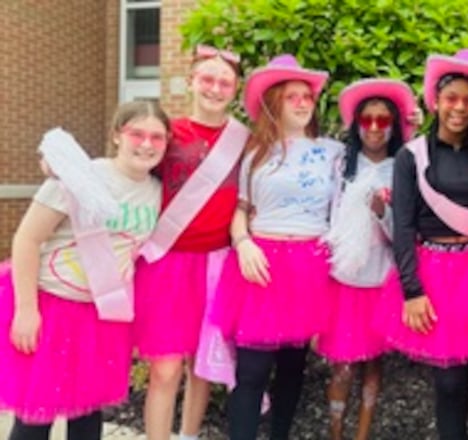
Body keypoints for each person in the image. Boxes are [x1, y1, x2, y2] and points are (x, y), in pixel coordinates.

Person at [0, 101, 168, 440]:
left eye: (157, 137)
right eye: (137, 134)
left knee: (88, 415)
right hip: (51, 307)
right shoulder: (80, 178)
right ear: (117, 136)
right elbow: (27, 239)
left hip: (101, 316)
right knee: (36, 419)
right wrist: (26, 310)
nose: (147, 144)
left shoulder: (156, 189)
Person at [208, 54, 344, 440]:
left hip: (310, 266)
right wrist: (243, 242)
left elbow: (377, 164)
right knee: (251, 371)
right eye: (291, 97)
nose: (302, 103)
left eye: (307, 96)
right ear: (274, 104)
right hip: (261, 263)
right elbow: (241, 209)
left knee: (292, 368)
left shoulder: (334, 152)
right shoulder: (255, 153)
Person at [373, 49, 468, 440]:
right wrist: (412, 291)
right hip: (436, 273)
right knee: (448, 380)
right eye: (451, 98)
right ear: (436, 101)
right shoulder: (412, 156)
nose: (459, 108)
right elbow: (404, 226)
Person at [132, 44, 248, 440]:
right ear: (191, 82)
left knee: (203, 367)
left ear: (235, 90)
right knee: (165, 369)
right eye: (208, 79)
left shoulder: (245, 141)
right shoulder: (168, 133)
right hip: (166, 263)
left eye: (225, 82)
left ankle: (189, 435)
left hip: (217, 264)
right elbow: (127, 168)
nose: (215, 88)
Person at [318, 78, 419, 440]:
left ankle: (362, 434)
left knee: (374, 363)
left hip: (381, 279)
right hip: (343, 280)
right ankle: (336, 433)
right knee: (342, 365)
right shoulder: (340, 164)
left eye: (383, 120)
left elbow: (406, 230)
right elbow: (325, 216)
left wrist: (381, 212)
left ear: (394, 126)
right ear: (356, 124)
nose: (374, 128)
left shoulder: (403, 166)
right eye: (367, 120)